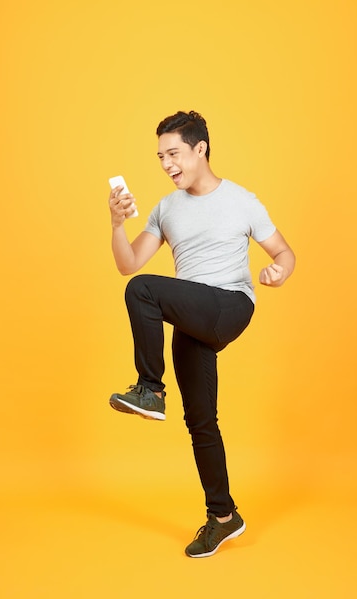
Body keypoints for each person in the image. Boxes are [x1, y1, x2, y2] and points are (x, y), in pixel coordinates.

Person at [108, 110, 295, 558]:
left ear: (200, 149)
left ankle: (151, 389)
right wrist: (116, 224)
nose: (167, 164)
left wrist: (278, 271)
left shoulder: (241, 200)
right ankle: (224, 517)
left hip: (229, 304)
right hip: (192, 314)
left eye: (174, 153)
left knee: (144, 290)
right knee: (200, 421)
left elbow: (284, 251)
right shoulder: (165, 209)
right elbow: (128, 263)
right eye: (160, 157)